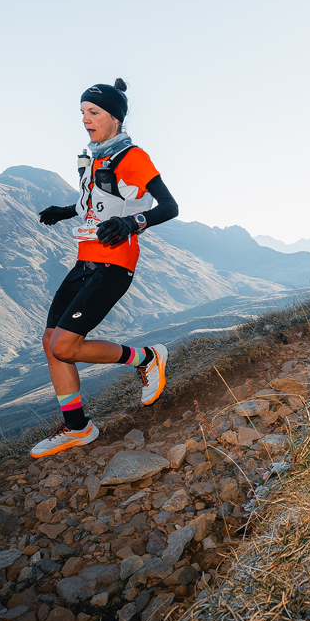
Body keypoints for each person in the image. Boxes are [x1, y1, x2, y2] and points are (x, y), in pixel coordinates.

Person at [29, 78, 179, 458]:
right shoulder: (95, 156)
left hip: (114, 264)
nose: (85, 119)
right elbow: (93, 202)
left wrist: (133, 224)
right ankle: (78, 428)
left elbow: (168, 206)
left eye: (93, 112)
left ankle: (146, 358)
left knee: (65, 345)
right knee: (51, 344)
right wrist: (63, 211)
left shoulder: (133, 157)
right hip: (85, 260)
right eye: (82, 112)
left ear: (115, 117)